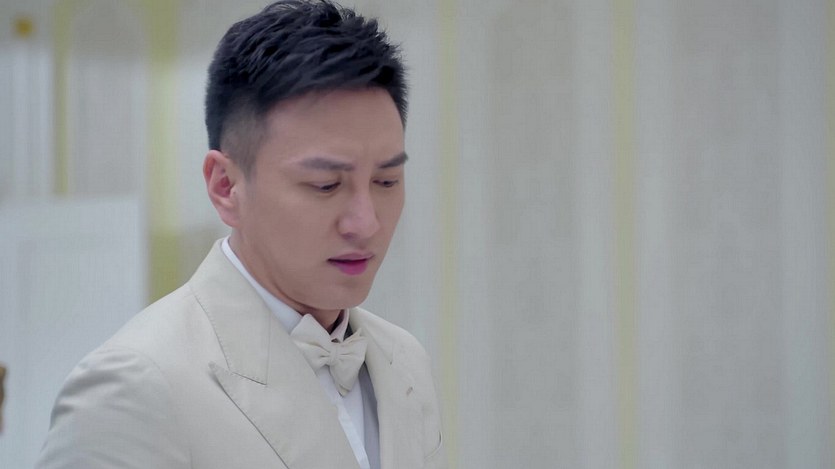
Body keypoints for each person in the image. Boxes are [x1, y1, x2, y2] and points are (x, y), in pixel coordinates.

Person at [35, 1, 445, 468]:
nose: (366, 222)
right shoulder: (133, 388)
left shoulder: (404, 359)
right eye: (325, 185)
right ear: (226, 186)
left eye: (386, 181)